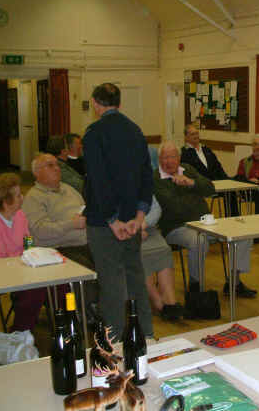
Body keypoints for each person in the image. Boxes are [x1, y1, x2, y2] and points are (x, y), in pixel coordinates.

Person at [83, 82, 153, 340]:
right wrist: (139, 217)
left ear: (95, 103)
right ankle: (145, 337)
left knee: (111, 284)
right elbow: (147, 177)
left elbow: (98, 182)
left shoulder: (94, 133)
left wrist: (112, 221)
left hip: (105, 224)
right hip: (132, 219)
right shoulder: (135, 130)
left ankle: (113, 347)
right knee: (135, 279)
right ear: (120, 103)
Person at [154, 141, 256, 298]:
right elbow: (175, 207)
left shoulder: (188, 169)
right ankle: (195, 287)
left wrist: (192, 183)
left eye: (173, 157)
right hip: (177, 227)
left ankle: (234, 283)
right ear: (159, 159)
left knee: (242, 234)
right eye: (165, 157)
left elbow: (209, 188)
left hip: (205, 222)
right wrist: (195, 195)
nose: (169, 161)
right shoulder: (156, 178)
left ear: (179, 158)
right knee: (199, 242)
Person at [0, 173, 63, 332]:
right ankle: (21, 331)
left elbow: (27, 243)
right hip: (0, 273)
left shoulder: (20, 215)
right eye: (18, 196)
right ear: (5, 202)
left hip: (23, 268)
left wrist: (31, 257)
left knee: (60, 285)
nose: (22, 198)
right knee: (36, 289)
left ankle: (61, 328)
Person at [22, 154, 96, 308]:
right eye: (50, 165)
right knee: (84, 271)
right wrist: (71, 224)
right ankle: (85, 313)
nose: (57, 168)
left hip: (86, 242)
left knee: (112, 261)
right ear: (37, 172)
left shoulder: (69, 189)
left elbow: (85, 210)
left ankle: (109, 310)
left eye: (57, 164)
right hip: (58, 249)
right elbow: (40, 231)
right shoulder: (34, 197)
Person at [180, 123, 238, 216]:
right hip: (200, 187)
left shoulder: (207, 150)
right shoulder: (184, 154)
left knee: (230, 192)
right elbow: (189, 174)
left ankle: (233, 219)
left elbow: (218, 167)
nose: (196, 136)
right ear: (186, 137)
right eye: (192, 134)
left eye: (197, 133)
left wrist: (227, 180)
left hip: (216, 184)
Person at [141, 195, 183, 321]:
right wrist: (134, 228)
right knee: (141, 254)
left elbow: (156, 209)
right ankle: (157, 300)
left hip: (147, 228)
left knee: (164, 249)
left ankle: (169, 299)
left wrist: (144, 223)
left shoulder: (142, 184)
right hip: (122, 231)